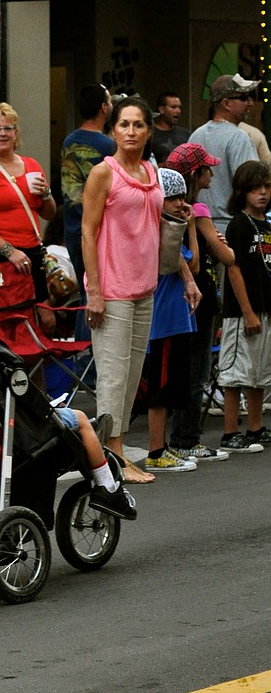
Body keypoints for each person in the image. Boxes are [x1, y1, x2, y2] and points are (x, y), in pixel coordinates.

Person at [82, 96, 200, 484]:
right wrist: (95, 291)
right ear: (112, 129)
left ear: (149, 131)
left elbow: (158, 234)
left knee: (133, 376)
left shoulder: (152, 171)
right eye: (124, 124)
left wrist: (186, 276)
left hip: (144, 288)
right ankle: (109, 459)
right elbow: (88, 230)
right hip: (112, 289)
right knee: (113, 376)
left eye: (138, 125)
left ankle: (116, 452)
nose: (131, 131)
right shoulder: (104, 172)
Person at [165, 142, 233, 462]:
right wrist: (222, 242)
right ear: (195, 174)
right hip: (200, 297)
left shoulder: (169, 210)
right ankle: (186, 438)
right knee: (197, 370)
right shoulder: (199, 212)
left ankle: (181, 436)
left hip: (181, 296)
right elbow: (226, 255)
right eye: (207, 168)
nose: (212, 172)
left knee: (186, 367)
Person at [0, 102, 56, 326]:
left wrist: (46, 194)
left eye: (8, 128)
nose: (2, 134)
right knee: (8, 322)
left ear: (16, 133)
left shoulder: (32, 165)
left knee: (47, 321)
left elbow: (49, 213)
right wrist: (9, 251)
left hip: (32, 256)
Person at [140, 169, 201, 474]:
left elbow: (194, 263)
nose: (179, 203)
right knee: (160, 391)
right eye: (171, 198)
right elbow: (182, 262)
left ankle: (163, 447)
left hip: (178, 321)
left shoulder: (175, 229)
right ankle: (154, 451)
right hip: (162, 322)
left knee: (173, 387)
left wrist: (189, 227)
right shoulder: (158, 232)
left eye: (181, 196)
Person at [217, 160, 271, 453]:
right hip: (242, 312)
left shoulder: (267, 225)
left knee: (258, 371)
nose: (262, 193)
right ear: (242, 192)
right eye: (255, 189)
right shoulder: (239, 224)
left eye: (266, 187)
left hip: (264, 308)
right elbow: (235, 269)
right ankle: (229, 431)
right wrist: (247, 311)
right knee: (234, 372)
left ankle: (255, 426)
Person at [60, 83, 115, 298]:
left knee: (84, 295)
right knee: (97, 291)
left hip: (72, 226)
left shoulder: (68, 141)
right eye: (109, 101)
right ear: (103, 107)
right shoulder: (108, 145)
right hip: (98, 230)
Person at [189, 74, 259, 232]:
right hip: (232, 228)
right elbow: (251, 185)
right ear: (226, 103)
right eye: (244, 97)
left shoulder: (195, 136)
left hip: (199, 227)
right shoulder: (239, 137)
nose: (250, 103)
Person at [150, 90, 189, 166]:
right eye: (173, 107)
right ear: (162, 109)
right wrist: (164, 165)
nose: (178, 111)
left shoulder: (185, 134)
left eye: (179, 107)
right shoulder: (149, 135)